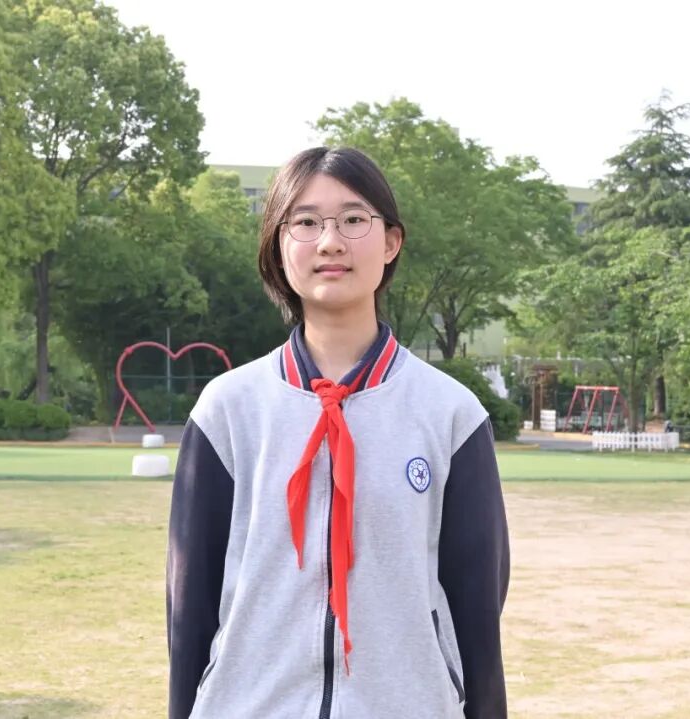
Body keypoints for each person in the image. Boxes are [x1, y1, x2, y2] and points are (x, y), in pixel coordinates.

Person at [166, 146, 511, 719]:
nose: (330, 242)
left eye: (353, 219)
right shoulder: (228, 410)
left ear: (391, 241)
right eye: (305, 222)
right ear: (279, 246)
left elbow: (477, 608)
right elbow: (190, 602)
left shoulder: (450, 414)